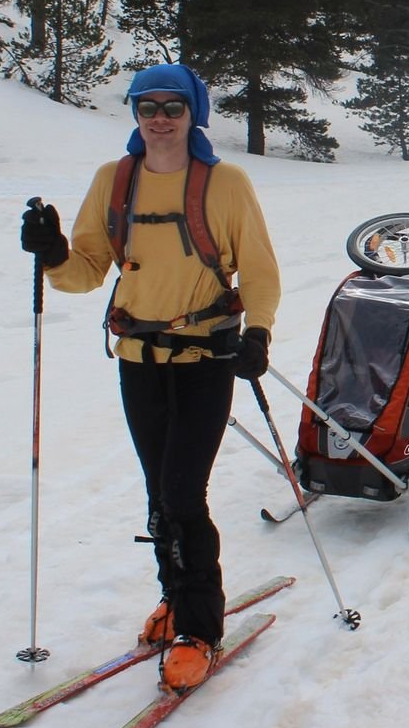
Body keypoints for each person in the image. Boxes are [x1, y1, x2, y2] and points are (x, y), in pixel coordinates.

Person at [20, 63, 280, 693]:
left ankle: (198, 629)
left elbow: (260, 268)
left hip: (205, 362)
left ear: (194, 114)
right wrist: (52, 252)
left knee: (184, 493)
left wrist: (259, 332)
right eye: (147, 107)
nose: (159, 117)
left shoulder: (225, 183)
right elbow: (85, 271)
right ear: (135, 115)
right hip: (139, 360)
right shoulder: (115, 182)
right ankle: (174, 598)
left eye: (172, 106)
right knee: (159, 491)